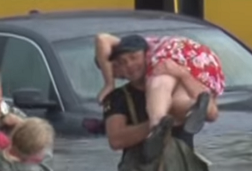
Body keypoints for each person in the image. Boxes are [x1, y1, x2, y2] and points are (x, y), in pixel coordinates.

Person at [101, 50, 210, 171]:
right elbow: (116, 140)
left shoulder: (175, 85)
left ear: (148, 57)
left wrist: (182, 75)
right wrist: (156, 125)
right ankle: (158, 128)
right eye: (121, 63)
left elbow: (212, 112)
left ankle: (184, 114)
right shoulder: (118, 98)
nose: (129, 65)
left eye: (133, 57)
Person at [95, 33, 223, 136]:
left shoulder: (157, 60)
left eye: (134, 57)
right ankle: (192, 108)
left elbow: (102, 39)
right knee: (179, 103)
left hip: (187, 56)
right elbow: (212, 115)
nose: (129, 65)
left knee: (158, 89)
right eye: (119, 65)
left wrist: (109, 83)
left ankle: (157, 126)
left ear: (145, 53)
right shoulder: (120, 96)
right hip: (202, 62)